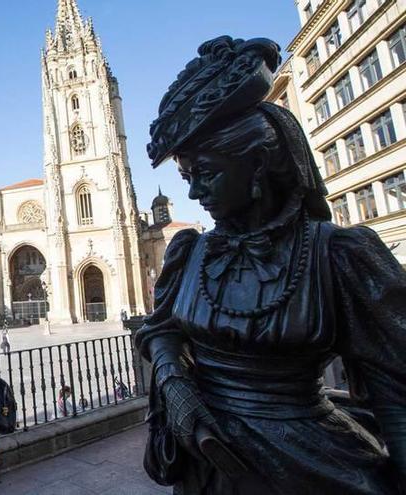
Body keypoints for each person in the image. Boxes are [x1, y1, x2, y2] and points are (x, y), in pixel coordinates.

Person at [139, 36, 406, 493]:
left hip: (308, 466)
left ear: (259, 163)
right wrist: (174, 381)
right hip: (208, 466)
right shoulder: (191, 253)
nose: (193, 193)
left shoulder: (339, 254)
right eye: (187, 177)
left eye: (205, 173)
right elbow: (160, 328)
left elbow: (398, 397)